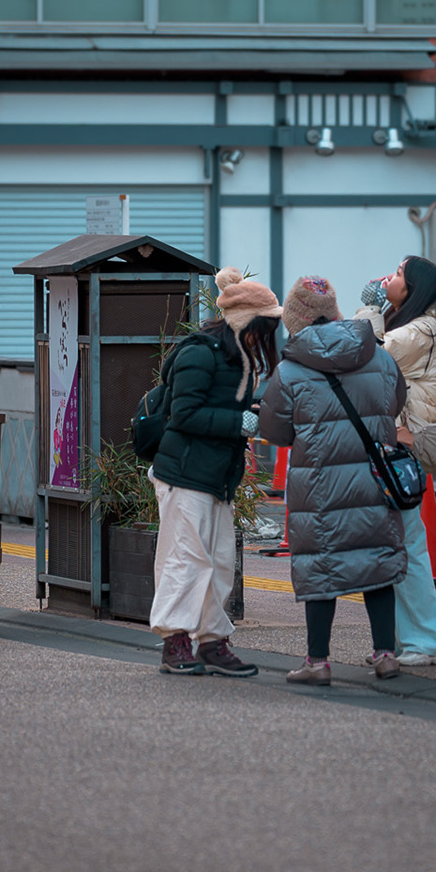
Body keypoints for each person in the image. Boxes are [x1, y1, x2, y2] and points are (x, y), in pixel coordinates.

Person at [260, 276, 409, 686]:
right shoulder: (379, 357)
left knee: (320, 568)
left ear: (296, 319)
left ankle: (318, 662)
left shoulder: (290, 370)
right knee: (377, 561)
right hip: (375, 481)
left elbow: (275, 432)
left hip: (319, 488)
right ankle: (386, 655)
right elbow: (396, 402)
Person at [148, 267, 281, 677]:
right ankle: (175, 641)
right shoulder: (200, 353)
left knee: (220, 562)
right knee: (185, 560)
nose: (266, 338)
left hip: (217, 478)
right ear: (245, 322)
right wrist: (239, 422)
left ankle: (211, 640)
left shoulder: (238, 358)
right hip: (183, 475)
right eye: (263, 328)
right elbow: (183, 414)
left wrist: (246, 415)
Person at [356, 255, 436, 666]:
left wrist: (369, 309)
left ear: (413, 290)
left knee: (406, 546)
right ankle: (407, 641)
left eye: (397, 274)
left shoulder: (419, 331)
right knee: (401, 544)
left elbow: (363, 356)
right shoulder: (426, 324)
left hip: (400, 448)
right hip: (400, 446)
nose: (386, 278)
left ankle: (424, 643)